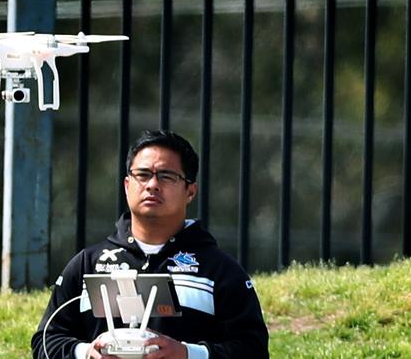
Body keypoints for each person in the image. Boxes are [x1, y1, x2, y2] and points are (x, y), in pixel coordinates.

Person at [32, 130, 269, 359]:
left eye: (166, 176)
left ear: (190, 191)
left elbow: (253, 349)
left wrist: (188, 354)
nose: (152, 185)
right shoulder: (88, 264)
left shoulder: (218, 271)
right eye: (143, 174)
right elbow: (46, 342)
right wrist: (86, 353)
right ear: (127, 186)